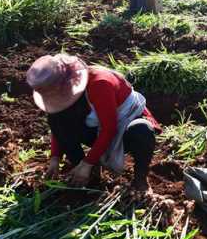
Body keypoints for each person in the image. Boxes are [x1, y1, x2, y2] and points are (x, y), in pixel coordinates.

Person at [26, 54, 161, 191]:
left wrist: (88, 162)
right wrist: (55, 158)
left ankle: (140, 181)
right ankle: (87, 173)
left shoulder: (99, 83)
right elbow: (58, 123)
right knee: (56, 119)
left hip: (125, 125)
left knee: (142, 130)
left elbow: (109, 128)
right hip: (97, 127)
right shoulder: (64, 94)